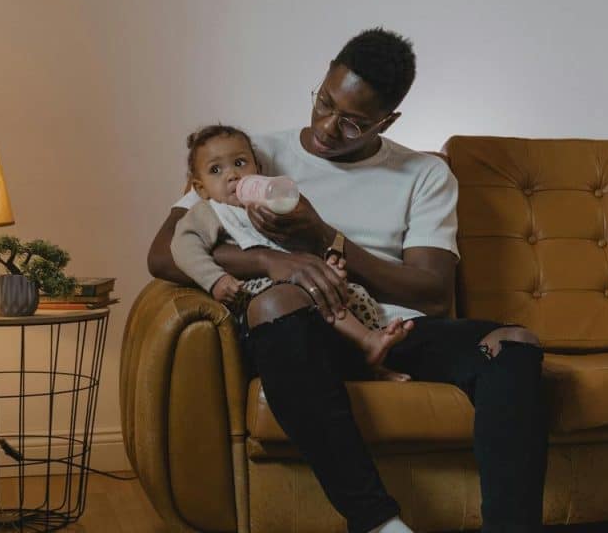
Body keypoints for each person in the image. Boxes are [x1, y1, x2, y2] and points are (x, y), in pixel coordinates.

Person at [149, 28, 546, 533]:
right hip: (299, 334)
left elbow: (431, 293)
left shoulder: (424, 174)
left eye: (354, 122)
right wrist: (273, 264)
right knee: (278, 304)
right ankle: (378, 521)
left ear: (388, 120)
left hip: (391, 329)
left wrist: (323, 237)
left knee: (512, 345)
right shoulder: (248, 156)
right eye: (324, 102)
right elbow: (164, 252)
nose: (328, 128)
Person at [172, 123, 413, 381]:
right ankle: (367, 342)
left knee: (354, 294)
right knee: (309, 294)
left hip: (298, 283)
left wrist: (328, 266)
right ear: (200, 188)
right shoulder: (211, 211)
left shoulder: (271, 208)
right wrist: (215, 279)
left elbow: (295, 252)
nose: (232, 175)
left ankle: (372, 360)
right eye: (216, 170)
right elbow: (183, 245)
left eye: (240, 163)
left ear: (259, 170)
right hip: (258, 294)